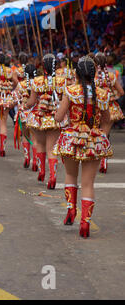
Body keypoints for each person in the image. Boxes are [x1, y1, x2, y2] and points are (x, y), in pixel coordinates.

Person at [53, 56, 112, 238]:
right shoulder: (102, 94)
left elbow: (59, 117)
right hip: (94, 140)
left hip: (72, 139)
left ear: (77, 74)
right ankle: (85, 223)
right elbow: (107, 120)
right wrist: (101, 134)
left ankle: (71, 210)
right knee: (88, 183)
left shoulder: (70, 91)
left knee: (70, 175)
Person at [26, 54, 66, 189]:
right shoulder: (62, 81)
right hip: (55, 117)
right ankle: (53, 176)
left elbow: (31, 102)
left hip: (39, 117)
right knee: (51, 148)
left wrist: (24, 105)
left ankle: (42, 171)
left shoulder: (36, 81)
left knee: (40, 144)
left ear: (43, 66)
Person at [94, 52, 125, 173]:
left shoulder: (92, 76)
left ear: (95, 63)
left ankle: (96, 156)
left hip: (95, 109)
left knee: (96, 134)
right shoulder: (111, 76)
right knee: (105, 135)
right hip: (110, 108)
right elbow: (122, 92)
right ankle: (104, 160)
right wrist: (112, 97)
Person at [13, 63, 37, 169]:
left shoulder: (21, 84)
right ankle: (35, 161)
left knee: (25, 136)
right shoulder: (39, 84)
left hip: (24, 113)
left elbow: (16, 98)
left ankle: (27, 157)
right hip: (36, 113)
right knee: (36, 138)